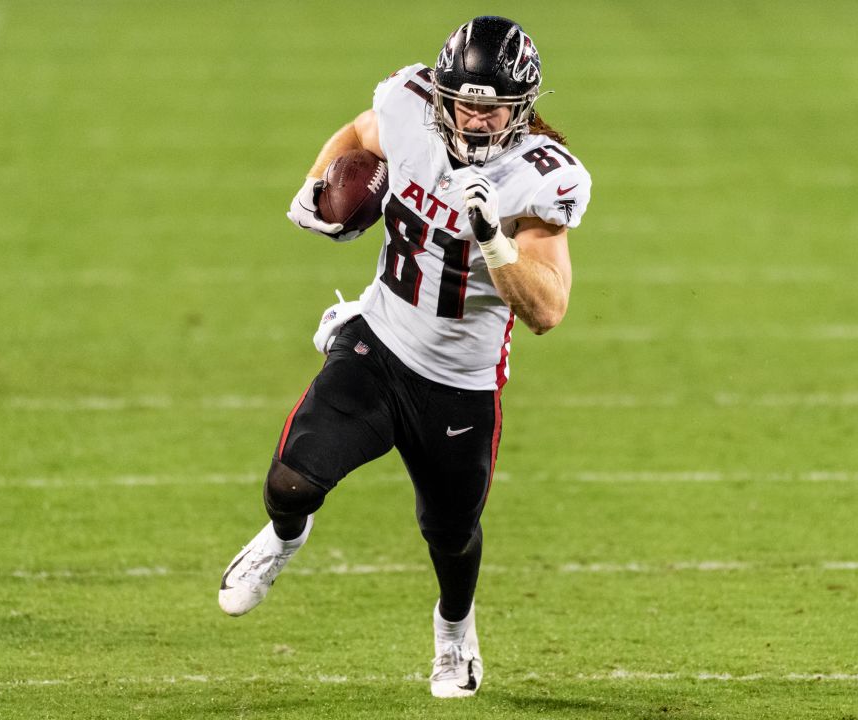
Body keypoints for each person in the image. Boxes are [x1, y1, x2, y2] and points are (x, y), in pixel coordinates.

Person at [217, 15, 591, 698]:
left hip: (461, 382)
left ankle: (455, 631)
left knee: (451, 536)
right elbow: (362, 134)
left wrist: (494, 241)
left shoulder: (540, 177)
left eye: (493, 108)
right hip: (380, 341)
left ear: (523, 109)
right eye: (466, 103)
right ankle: (282, 539)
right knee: (291, 483)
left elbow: (547, 309)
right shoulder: (410, 105)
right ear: (443, 94)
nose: (476, 121)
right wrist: (316, 186)